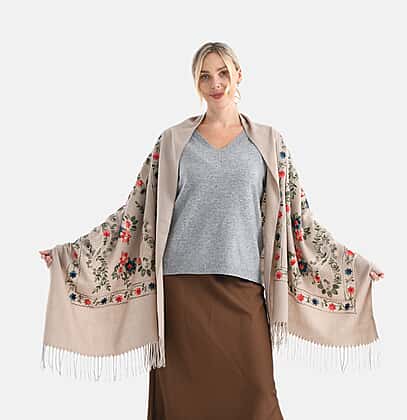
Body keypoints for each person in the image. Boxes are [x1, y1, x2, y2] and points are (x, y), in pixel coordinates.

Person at [39, 42, 384, 419]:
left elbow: (299, 219)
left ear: (239, 75)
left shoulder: (269, 143)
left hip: (243, 290)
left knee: (258, 400)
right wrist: (72, 254)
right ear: (196, 83)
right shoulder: (173, 142)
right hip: (181, 294)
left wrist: (354, 265)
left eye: (222, 73)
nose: (215, 83)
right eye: (204, 76)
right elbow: (135, 211)